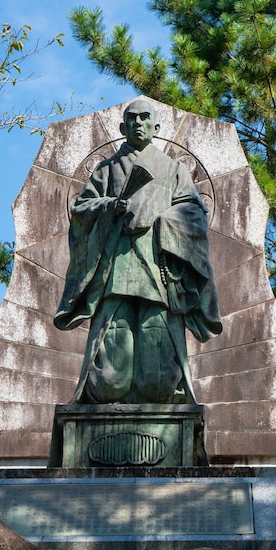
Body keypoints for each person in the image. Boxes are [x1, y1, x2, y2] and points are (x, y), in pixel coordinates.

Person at [54, 99, 222, 404]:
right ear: (122, 128)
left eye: (145, 118)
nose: (138, 123)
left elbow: (194, 212)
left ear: (156, 128)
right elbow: (81, 208)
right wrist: (110, 206)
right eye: (132, 119)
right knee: (110, 372)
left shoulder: (173, 170)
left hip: (158, 271)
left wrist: (162, 220)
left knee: (156, 367)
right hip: (115, 272)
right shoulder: (106, 171)